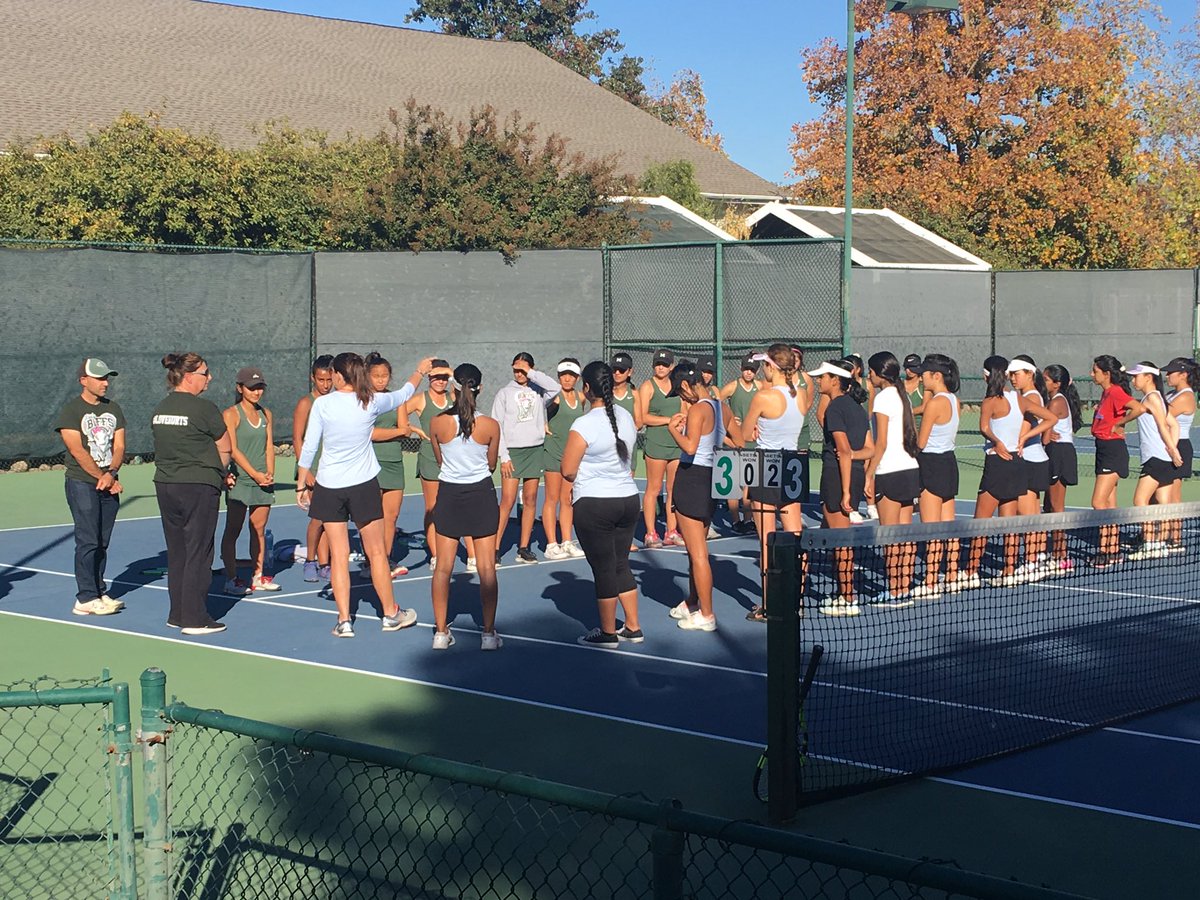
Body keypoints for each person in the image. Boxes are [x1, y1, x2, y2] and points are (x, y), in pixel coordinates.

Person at [297, 352, 435, 638]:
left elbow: (310, 445)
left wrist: (301, 483)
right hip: (362, 486)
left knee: (339, 555)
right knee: (377, 552)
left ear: (338, 376)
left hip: (329, 487)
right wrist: (420, 371)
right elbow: (404, 393)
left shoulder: (323, 404)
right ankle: (390, 614)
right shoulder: (370, 400)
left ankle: (344, 621)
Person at [561, 360, 643, 648]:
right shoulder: (625, 416)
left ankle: (608, 633)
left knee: (604, 568)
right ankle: (633, 626)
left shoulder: (583, 424)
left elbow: (568, 470)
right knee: (621, 563)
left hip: (595, 503)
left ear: (586, 388)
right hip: (628, 499)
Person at [151, 352, 234, 636]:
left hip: (166, 485)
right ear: (188, 377)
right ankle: (195, 618)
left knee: (178, 552)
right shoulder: (204, 409)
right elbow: (225, 447)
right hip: (198, 486)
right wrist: (220, 473)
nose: (209, 378)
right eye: (204, 373)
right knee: (199, 552)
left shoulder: (161, 408)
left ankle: (177, 613)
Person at [429, 363, 502, 650]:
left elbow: (440, 460)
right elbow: (491, 464)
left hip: (449, 495)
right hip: (481, 495)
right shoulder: (491, 425)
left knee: (443, 569)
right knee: (486, 568)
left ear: (453, 388)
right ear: (479, 388)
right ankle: (488, 634)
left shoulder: (437, 423)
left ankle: (440, 633)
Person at [741, 344, 809, 622]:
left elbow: (744, 433)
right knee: (795, 537)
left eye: (764, 365)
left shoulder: (763, 396)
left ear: (771, 366)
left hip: (767, 466)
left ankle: (769, 605)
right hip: (793, 467)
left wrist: (751, 428)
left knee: (767, 542)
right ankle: (797, 600)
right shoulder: (802, 394)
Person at [666, 362, 737, 631]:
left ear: (686, 385)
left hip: (692, 477)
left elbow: (690, 447)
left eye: (680, 392)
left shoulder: (697, 409)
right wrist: (717, 436)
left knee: (697, 554)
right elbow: (740, 440)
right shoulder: (723, 407)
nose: (682, 398)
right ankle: (693, 602)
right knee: (695, 551)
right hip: (711, 478)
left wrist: (674, 430)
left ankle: (707, 614)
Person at [55, 358, 126, 617]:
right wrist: (102, 477)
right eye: (99, 378)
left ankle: (99, 591)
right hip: (81, 483)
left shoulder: (114, 409)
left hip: (109, 482)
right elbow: (77, 450)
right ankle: (85, 598)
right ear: (83, 381)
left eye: (106, 378)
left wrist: (111, 474)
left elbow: (119, 446)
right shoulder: (71, 411)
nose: (105, 383)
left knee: (102, 541)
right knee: (88, 540)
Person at [811, 360, 873, 616]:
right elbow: (869, 449)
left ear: (835, 380)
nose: (818, 381)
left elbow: (844, 451)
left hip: (838, 477)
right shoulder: (857, 409)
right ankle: (842, 593)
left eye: (822, 377)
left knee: (841, 541)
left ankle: (848, 598)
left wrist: (845, 491)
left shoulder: (835, 408)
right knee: (832, 535)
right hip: (852, 475)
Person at [960, 356, 1027, 587]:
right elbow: (1048, 417)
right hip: (1016, 462)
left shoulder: (989, 400)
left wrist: (997, 442)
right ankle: (1009, 571)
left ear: (986, 375)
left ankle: (971, 572)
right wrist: (1024, 437)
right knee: (1009, 523)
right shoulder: (1019, 398)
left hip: (998, 463)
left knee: (981, 522)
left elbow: (983, 427)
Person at [863, 352, 921, 607]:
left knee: (889, 536)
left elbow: (881, 443)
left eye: (871, 372)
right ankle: (903, 588)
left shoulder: (883, 398)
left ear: (879, 373)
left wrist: (869, 474)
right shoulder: (902, 394)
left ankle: (895, 590)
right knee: (904, 534)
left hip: (890, 472)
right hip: (910, 470)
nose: (869, 376)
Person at [406, 359, 474, 572]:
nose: (440, 381)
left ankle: (472, 555)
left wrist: (449, 372)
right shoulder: (420, 400)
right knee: (433, 508)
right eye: (435, 377)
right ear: (428, 377)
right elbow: (397, 412)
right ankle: (436, 555)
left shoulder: (453, 397)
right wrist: (415, 430)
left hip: (454, 459)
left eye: (444, 377)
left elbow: (465, 389)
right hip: (429, 458)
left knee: (462, 507)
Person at [492, 352, 561, 563]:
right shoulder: (504, 393)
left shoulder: (539, 390)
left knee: (530, 499)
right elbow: (497, 425)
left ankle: (523, 548)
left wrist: (531, 373)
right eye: (516, 369)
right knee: (507, 500)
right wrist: (504, 456)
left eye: (523, 370)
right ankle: (494, 548)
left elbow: (555, 387)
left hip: (535, 450)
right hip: (513, 452)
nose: (519, 373)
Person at [219, 366, 279, 595]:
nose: (256, 392)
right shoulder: (231, 414)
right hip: (241, 481)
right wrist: (254, 474)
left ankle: (258, 576)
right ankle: (231, 578)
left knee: (259, 529)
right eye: (252, 388)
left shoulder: (266, 414)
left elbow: (268, 447)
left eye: (259, 387)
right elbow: (232, 450)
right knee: (233, 530)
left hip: (263, 481)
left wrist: (269, 473)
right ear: (240, 388)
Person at [1005, 356, 1059, 582]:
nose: (1012, 378)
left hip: (1030, 461)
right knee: (1032, 513)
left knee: (1026, 514)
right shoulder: (1027, 396)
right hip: (1034, 460)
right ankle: (1037, 557)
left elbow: (1046, 421)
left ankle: (1031, 562)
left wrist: (1024, 437)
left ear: (1029, 374)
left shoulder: (1031, 396)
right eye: (1010, 375)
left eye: (1016, 374)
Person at [1123, 362, 1183, 558]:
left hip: (1155, 458)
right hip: (1162, 457)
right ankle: (1160, 544)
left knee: (1140, 500)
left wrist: (1172, 450)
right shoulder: (1156, 398)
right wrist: (1170, 450)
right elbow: (1174, 425)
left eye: (1136, 376)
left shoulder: (1152, 398)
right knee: (1163, 502)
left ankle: (1149, 543)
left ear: (1148, 377)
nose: (1133, 380)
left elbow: (1163, 426)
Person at [913, 353, 961, 597]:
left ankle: (931, 581)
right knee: (948, 525)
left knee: (931, 528)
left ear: (937, 375)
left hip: (931, 464)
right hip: (949, 464)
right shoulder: (954, 400)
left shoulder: (934, 404)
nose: (921, 377)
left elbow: (920, 443)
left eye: (924, 373)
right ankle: (952, 576)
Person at [366, 351, 411, 579]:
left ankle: (385, 559)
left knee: (391, 517)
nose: (381, 380)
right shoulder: (363, 399)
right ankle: (372, 562)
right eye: (376, 376)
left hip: (394, 462)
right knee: (373, 517)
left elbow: (405, 430)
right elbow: (370, 433)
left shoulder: (397, 399)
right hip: (370, 462)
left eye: (384, 375)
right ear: (367, 376)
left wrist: (395, 432)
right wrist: (396, 432)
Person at [1089, 355, 1133, 566]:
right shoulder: (1106, 393)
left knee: (1098, 502)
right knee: (1109, 503)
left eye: (1095, 371)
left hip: (1112, 450)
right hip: (1104, 448)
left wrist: (1119, 424)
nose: (1091, 374)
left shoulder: (1115, 391)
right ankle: (1111, 550)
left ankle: (1105, 550)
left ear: (1106, 374)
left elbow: (1138, 408)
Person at [638, 348, 684, 548]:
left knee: (673, 489)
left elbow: (683, 411)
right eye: (658, 364)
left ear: (671, 366)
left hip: (675, 444)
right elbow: (643, 417)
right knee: (654, 488)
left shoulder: (677, 386)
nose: (661, 368)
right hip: (656, 444)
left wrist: (681, 422)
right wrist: (668, 420)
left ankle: (671, 531)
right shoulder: (647, 387)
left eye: (665, 365)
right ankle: (650, 533)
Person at [542, 358, 588, 560]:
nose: (567, 379)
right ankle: (551, 544)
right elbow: (537, 407)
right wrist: (542, 423)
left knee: (567, 499)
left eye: (571, 375)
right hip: (553, 452)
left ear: (577, 378)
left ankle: (567, 541)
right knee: (552, 498)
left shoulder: (581, 398)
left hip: (572, 455)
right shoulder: (553, 397)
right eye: (563, 375)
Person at [294, 355, 334, 582]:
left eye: (329, 380)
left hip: (330, 469)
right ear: (313, 378)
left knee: (329, 520)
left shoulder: (335, 401)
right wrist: (306, 470)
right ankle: (310, 561)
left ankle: (325, 564)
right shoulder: (306, 403)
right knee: (318, 518)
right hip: (311, 469)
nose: (326, 385)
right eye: (321, 380)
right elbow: (297, 438)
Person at [1042, 364, 1082, 573]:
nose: (1043, 382)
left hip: (1060, 453)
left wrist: (1045, 435)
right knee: (1049, 506)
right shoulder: (1052, 400)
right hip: (1054, 452)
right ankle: (1055, 553)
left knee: (1057, 508)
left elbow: (1044, 436)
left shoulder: (1057, 402)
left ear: (1057, 384)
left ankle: (1062, 557)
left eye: (1046, 379)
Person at [720, 352, 760, 534]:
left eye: (752, 369)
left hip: (752, 442)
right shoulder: (732, 387)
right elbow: (715, 406)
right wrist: (728, 419)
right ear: (741, 369)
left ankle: (748, 519)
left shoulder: (760, 387)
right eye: (746, 369)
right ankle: (736, 521)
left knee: (748, 483)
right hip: (733, 441)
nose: (749, 372)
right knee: (733, 485)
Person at [1162, 357, 1197, 551]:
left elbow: (1161, 417)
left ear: (1183, 375)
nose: (1167, 375)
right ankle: (1155, 534)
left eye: (1171, 372)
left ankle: (1175, 538)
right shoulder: (1171, 394)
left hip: (1179, 446)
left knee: (1173, 495)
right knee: (1160, 494)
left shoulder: (1185, 397)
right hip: (1167, 445)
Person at [610, 351, 643, 553]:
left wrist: (624, 432)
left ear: (629, 372)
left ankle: (624, 538)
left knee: (625, 495)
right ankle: (610, 536)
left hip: (628, 451)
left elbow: (639, 421)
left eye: (621, 370)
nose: (617, 373)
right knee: (609, 494)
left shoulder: (634, 394)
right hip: (609, 450)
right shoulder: (606, 392)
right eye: (614, 369)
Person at [903, 353, 926, 429]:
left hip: (921, 428)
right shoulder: (899, 385)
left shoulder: (925, 385)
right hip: (903, 428)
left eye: (912, 367)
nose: (909, 371)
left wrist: (906, 413)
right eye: (907, 367)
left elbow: (924, 407)